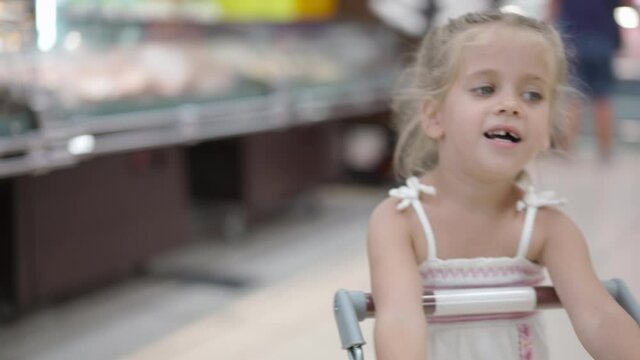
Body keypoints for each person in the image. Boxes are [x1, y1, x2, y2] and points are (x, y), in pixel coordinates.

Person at [367, 10, 640, 360]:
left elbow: (599, 318)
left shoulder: (547, 227)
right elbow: (400, 322)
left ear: (548, 132)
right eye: (485, 88)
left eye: (532, 95)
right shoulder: (400, 221)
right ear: (435, 117)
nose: (511, 105)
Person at [549, 0, 624, 160]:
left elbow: (553, 6)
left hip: (573, 38)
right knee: (602, 98)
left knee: (573, 97)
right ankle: (605, 151)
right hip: (603, 39)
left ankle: (567, 149)